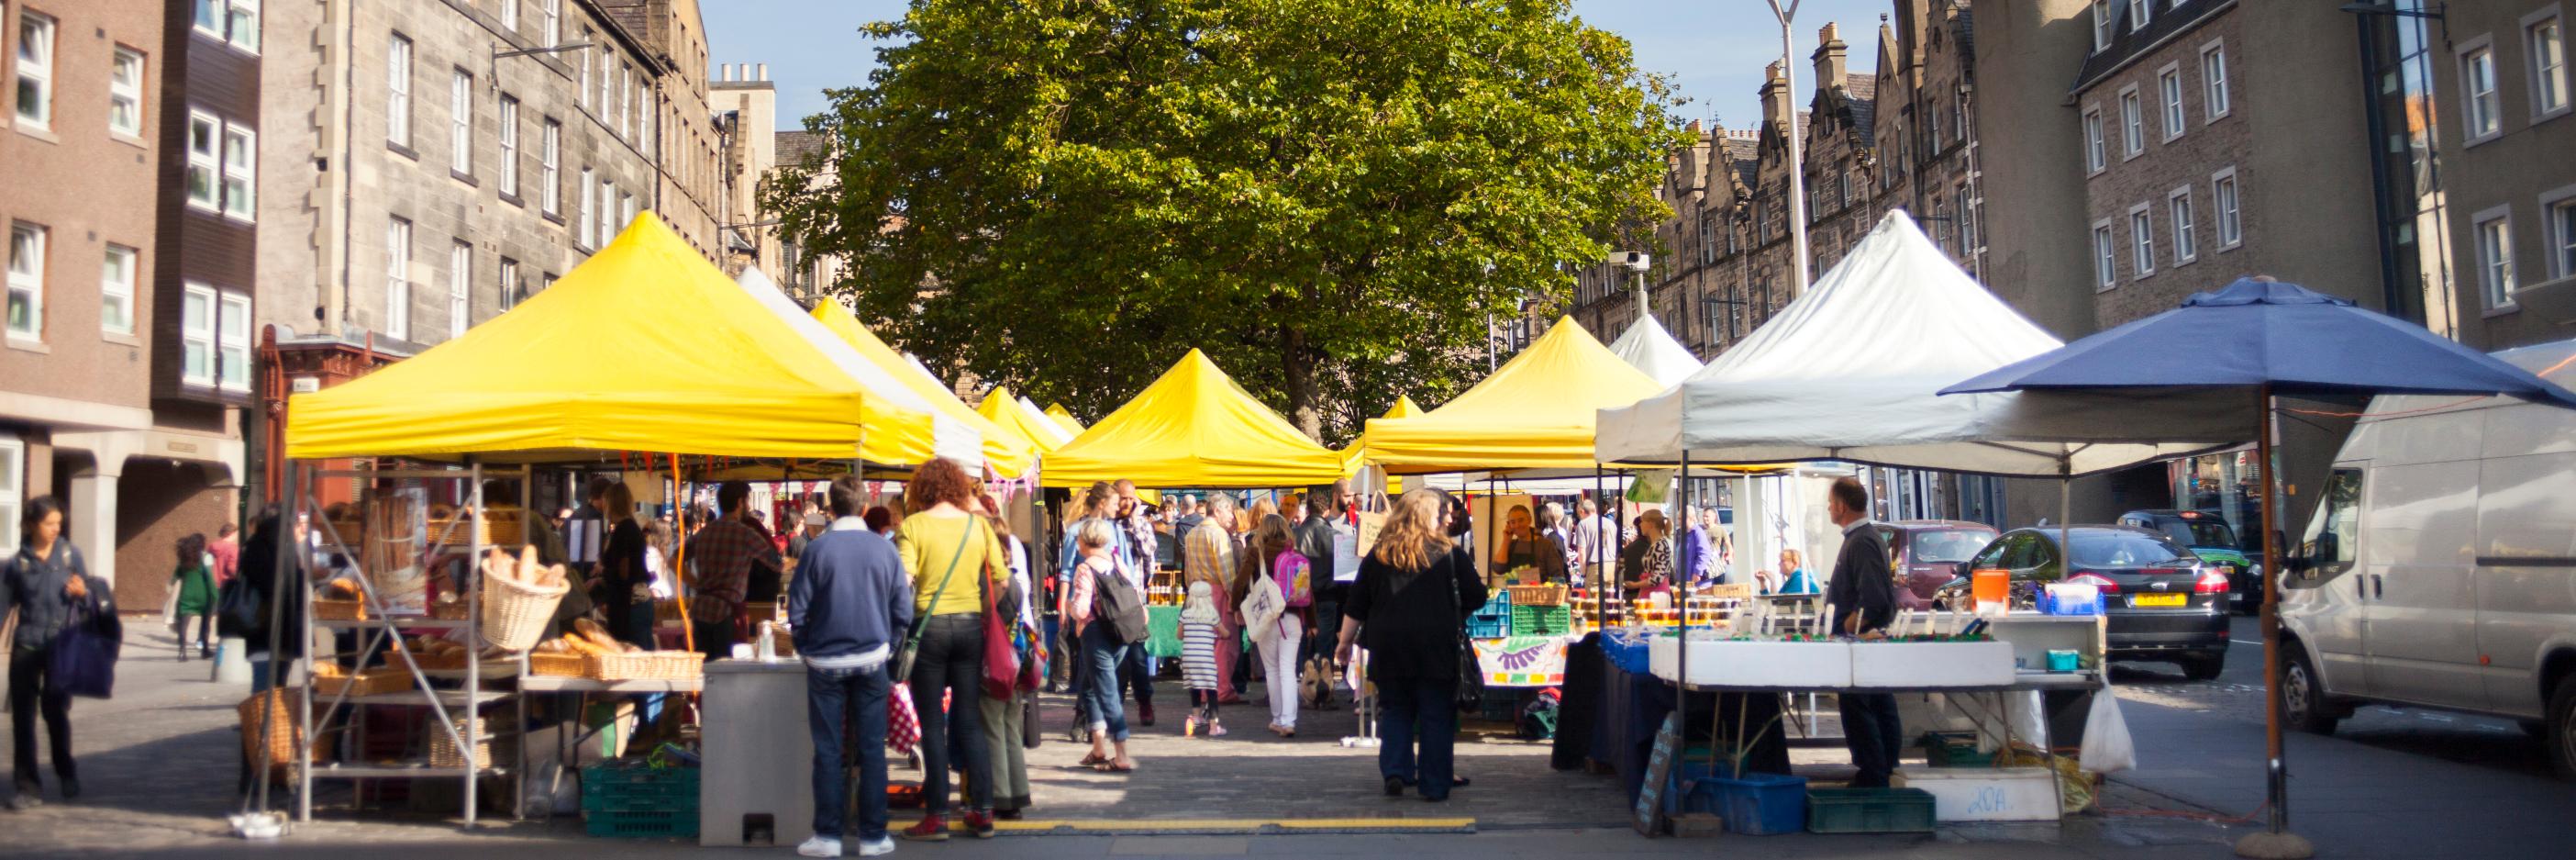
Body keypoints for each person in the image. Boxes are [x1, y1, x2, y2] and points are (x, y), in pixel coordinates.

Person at [790, 475, 912, 858]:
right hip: (872, 659)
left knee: (828, 749)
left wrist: (807, 647)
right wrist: (888, 648)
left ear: (831, 507)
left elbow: (798, 611)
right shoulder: (884, 550)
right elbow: (902, 610)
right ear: (863, 507)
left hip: (825, 661)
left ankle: (828, 835)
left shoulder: (816, 550)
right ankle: (873, 836)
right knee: (873, 748)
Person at [1338, 489, 1485, 802]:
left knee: (1395, 709)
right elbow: (1477, 595)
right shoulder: (1449, 554)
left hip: (1389, 645)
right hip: (1437, 643)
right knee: (1435, 713)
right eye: (1441, 514)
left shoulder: (1380, 554)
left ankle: (1396, 771)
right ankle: (1434, 783)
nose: (1447, 519)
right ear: (1428, 517)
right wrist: (1451, 613)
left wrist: (1343, 643)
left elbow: (1356, 604)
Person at [889, 457, 1008, 841]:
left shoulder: (913, 526)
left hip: (930, 629)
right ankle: (982, 812)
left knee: (932, 725)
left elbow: (904, 579)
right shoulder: (978, 525)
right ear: (958, 487)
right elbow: (1001, 579)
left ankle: (937, 816)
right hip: (971, 626)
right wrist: (985, 614)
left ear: (921, 489)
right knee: (970, 720)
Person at [5, 497, 116, 810]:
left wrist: (83, 593)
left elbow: (87, 595)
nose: (55, 529)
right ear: (30, 525)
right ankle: (27, 787)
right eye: (48, 523)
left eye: (58, 523)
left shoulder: (70, 555)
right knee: (23, 720)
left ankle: (65, 770)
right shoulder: (17, 564)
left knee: (55, 713)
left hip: (61, 645)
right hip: (26, 646)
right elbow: (4, 607)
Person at [1823, 477, 1901, 787]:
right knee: (1873, 702)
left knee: (1863, 704)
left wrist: (1850, 624)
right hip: (1860, 640)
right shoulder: (1859, 538)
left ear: (1842, 505)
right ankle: (1880, 767)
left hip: (1863, 641)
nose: (1829, 507)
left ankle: (1875, 771)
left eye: (1830, 502)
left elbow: (1875, 597)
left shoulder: (1863, 540)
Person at [973, 493, 1038, 819]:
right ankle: (1018, 792)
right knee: (1011, 727)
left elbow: (983, 619)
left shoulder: (991, 581)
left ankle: (1000, 796)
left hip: (994, 664)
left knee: (994, 728)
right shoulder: (1013, 579)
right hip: (1015, 662)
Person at [1066, 518, 1142, 774]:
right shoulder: (1117, 562)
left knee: (1107, 691)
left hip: (1096, 634)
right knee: (1089, 688)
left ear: (1085, 541)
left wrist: (1069, 607)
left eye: (1077, 538)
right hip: (1120, 632)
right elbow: (1133, 591)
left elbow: (1081, 608)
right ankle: (1098, 747)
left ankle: (1121, 754)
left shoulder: (1085, 569)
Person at [686, 481, 781, 659]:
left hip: (701, 609)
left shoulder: (705, 533)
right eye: (748, 500)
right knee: (727, 670)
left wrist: (696, 584)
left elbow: (674, 560)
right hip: (727, 613)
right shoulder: (744, 533)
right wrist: (792, 562)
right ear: (740, 503)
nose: (749, 505)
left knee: (704, 670)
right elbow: (776, 562)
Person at [1243, 514, 1304, 736]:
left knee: (1272, 670)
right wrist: (1313, 621)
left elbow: (1241, 581)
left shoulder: (1255, 552)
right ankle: (1289, 721)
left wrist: (1236, 608)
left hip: (1266, 618)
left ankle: (1278, 718)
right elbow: (1308, 591)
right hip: (1293, 617)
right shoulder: (1294, 554)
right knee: (1289, 669)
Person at [1292, 483, 1346, 705]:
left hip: (1301, 598)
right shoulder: (1334, 535)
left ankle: (1302, 689)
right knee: (1325, 648)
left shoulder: (1295, 534)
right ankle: (1324, 691)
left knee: (1300, 646)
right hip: (1326, 597)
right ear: (1325, 511)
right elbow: (1342, 573)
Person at [1183, 496, 1239, 707]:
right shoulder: (1218, 534)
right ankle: (1222, 689)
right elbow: (1227, 573)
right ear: (1217, 511)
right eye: (1229, 511)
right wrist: (1234, 598)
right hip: (1217, 592)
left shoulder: (1192, 534)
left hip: (1197, 592)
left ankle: (1204, 691)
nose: (1232, 516)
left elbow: (1187, 571)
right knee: (1223, 644)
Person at [591, 483, 657, 647]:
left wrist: (601, 570)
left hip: (630, 605)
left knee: (634, 659)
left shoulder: (624, 530)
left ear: (611, 504)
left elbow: (624, 573)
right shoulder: (630, 528)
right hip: (637, 603)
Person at [1177, 580, 1226, 737]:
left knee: (1195, 687)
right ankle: (1213, 727)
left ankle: (1196, 718)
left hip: (1189, 658)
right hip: (1206, 658)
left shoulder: (1185, 615)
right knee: (1211, 690)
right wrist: (1225, 635)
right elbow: (1224, 633)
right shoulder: (1211, 615)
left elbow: (1179, 635)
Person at [170, 533, 217, 659]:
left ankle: (182, 651)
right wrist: (215, 595)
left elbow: (176, 575)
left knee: (183, 624)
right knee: (205, 623)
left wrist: (171, 583)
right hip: (203, 595)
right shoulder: (205, 558)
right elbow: (209, 577)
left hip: (186, 594)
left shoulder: (184, 559)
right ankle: (204, 649)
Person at [1620, 509, 1674, 598]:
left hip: (1657, 595)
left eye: (1642, 521)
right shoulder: (1657, 544)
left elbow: (1658, 578)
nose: (1640, 524)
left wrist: (1634, 585)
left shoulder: (1660, 545)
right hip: (1652, 593)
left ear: (1651, 524)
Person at [1570, 498, 1619, 589]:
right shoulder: (1611, 523)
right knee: (1610, 601)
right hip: (1612, 567)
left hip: (1595, 567)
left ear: (1582, 511)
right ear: (1595, 510)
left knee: (1594, 601)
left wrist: (1583, 573)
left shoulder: (1583, 524)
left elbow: (1581, 552)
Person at [1675, 506, 1725, 588]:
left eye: (1681, 519)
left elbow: (1705, 553)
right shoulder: (1685, 533)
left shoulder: (1697, 532)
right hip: (1687, 580)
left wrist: (1697, 572)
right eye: (1679, 519)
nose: (1679, 521)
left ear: (1690, 518)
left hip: (1698, 582)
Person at [208, 523, 240, 587]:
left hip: (212, 583)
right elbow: (232, 568)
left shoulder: (211, 547)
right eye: (236, 534)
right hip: (227, 584)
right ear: (232, 534)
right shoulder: (233, 548)